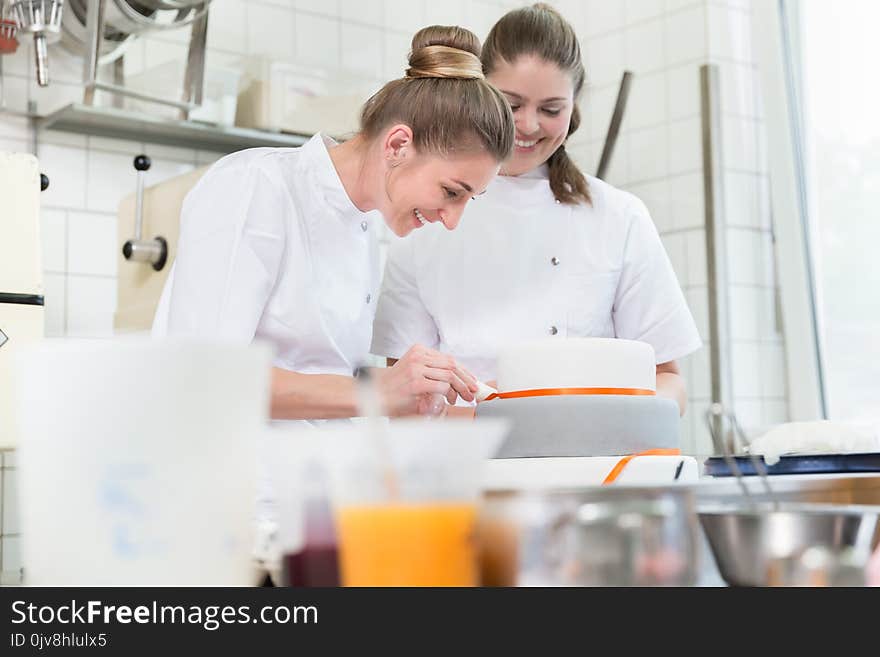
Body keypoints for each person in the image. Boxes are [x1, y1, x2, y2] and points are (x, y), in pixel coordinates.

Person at [152, 26, 515, 420]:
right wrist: (377, 389)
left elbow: (324, 375)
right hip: (229, 475)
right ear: (397, 145)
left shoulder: (366, 226)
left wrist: (420, 390)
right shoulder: (255, 186)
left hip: (317, 474)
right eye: (451, 192)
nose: (452, 221)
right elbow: (204, 374)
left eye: (468, 200)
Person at [371, 4, 701, 416]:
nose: (528, 126)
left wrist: (603, 411)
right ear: (481, 94)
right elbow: (401, 400)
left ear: (574, 106)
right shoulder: (424, 215)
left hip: (593, 466)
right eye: (511, 105)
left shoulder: (619, 217)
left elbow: (668, 380)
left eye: (551, 109)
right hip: (467, 465)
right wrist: (508, 413)